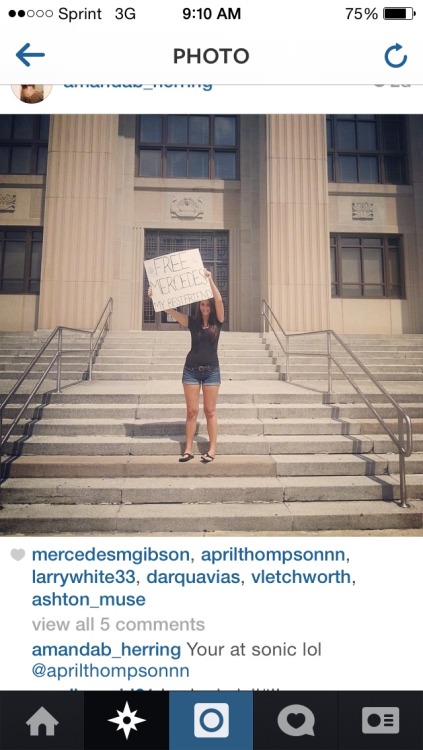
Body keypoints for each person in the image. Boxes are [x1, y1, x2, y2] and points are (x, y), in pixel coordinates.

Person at [148, 269, 224, 462]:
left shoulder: (218, 322)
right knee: (191, 411)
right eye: (202, 304)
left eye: (208, 305)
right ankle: (188, 449)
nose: (205, 307)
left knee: (210, 411)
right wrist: (155, 297)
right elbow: (171, 312)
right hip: (190, 371)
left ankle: (212, 449)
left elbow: (220, 301)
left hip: (211, 372)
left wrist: (210, 280)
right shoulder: (192, 323)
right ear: (199, 307)